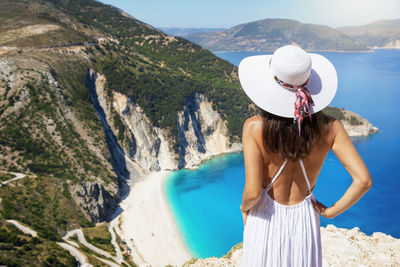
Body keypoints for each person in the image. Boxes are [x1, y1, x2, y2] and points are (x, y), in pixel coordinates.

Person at [238, 45, 372, 267]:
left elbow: (252, 193)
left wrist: (244, 208)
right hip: (305, 220)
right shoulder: (331, 127)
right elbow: (364, 181)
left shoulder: (253, 128)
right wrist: (330, 212)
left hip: (265, 218)